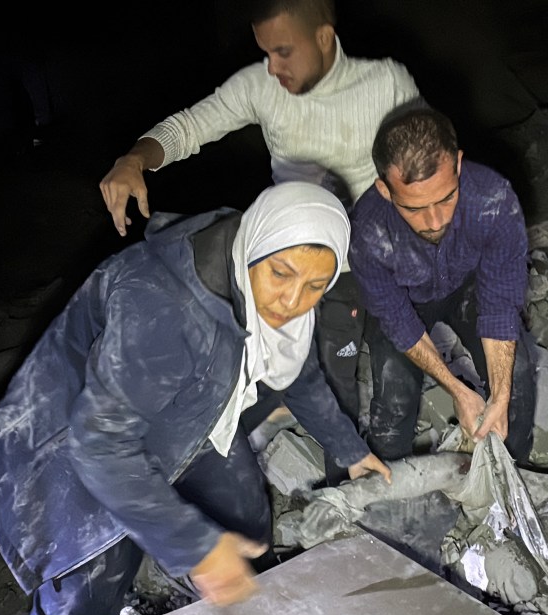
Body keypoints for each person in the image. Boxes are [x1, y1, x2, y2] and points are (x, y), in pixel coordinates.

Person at [0, 182, 391, 615]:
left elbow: (299, 374)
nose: (292, 303)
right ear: (257, 247)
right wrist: (196, 548)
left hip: (189, 414)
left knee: (247, 527)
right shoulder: (163, 307)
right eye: (280, 275)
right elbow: (99, 444)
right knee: (90, 586)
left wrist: (349, 449)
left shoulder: (267, 261)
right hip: (75, 435)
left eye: (316, 286)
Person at [98, 0, 423, 476]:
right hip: (310, 267)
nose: (272, 66)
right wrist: (135, 159)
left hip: (385, 254)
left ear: (325, 39)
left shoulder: (386, 83)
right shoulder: (261, 86)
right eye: (265, 52)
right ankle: (350, 490)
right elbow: (189, 126)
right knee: (334, 379)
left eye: (283, 51)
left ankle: (394, 481)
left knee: (400, 377)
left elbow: (428, 156)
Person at [349, 106, 536, 463]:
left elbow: (499, 305)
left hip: (469, 285)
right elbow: (399, 322)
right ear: (385, 190)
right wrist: (458, 391)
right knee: (395, 396)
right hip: (406, 301)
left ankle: (516, 471)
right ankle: (392, 492)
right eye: (415, 208)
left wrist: (499, 394)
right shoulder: (367, 232)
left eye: (447, 198)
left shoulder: (494, 201)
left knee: (519, 376)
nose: (435, 221)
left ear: (459, 165)